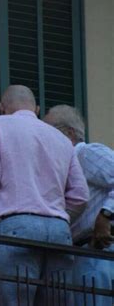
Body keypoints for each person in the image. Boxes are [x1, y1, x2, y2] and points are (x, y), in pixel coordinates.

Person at [0, 85, 89, 306]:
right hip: (59, 230)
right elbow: (80, 196)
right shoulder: (61, 139)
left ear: (2, 107)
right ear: (37, 109)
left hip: (16, 226)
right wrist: (54, 215)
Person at [44, 104, 114, 306]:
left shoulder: (85, 153)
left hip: (99, 254)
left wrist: (105, 216)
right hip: (84, 255)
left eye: (49, 132)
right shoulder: (64, 165)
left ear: (69, 133)